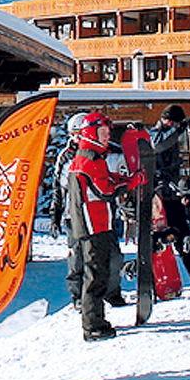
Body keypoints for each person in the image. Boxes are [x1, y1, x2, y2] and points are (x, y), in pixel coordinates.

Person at [64, 112, 126, 339]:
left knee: (100, 272)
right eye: (102, 132)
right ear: (91, 133)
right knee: (95, 275)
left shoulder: (93, 157)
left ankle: (96, 320)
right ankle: (92, 326)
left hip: (98, 223)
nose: (107, 136)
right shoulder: (89, 158)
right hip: (92, 225)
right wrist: (128, 184)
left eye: (108, 132)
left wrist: (124, 180)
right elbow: (104, 190)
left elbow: (106, 181)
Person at [146, 104, 190, 285]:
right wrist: (179, 129)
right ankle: (154, 282)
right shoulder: (153, 134)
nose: (170, 124)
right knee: (157, 239)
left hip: (175, 193)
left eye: (174, 122)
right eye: (168, 120)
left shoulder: (177, 134)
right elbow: (158, 145)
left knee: (183, 235)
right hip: (158, 197)